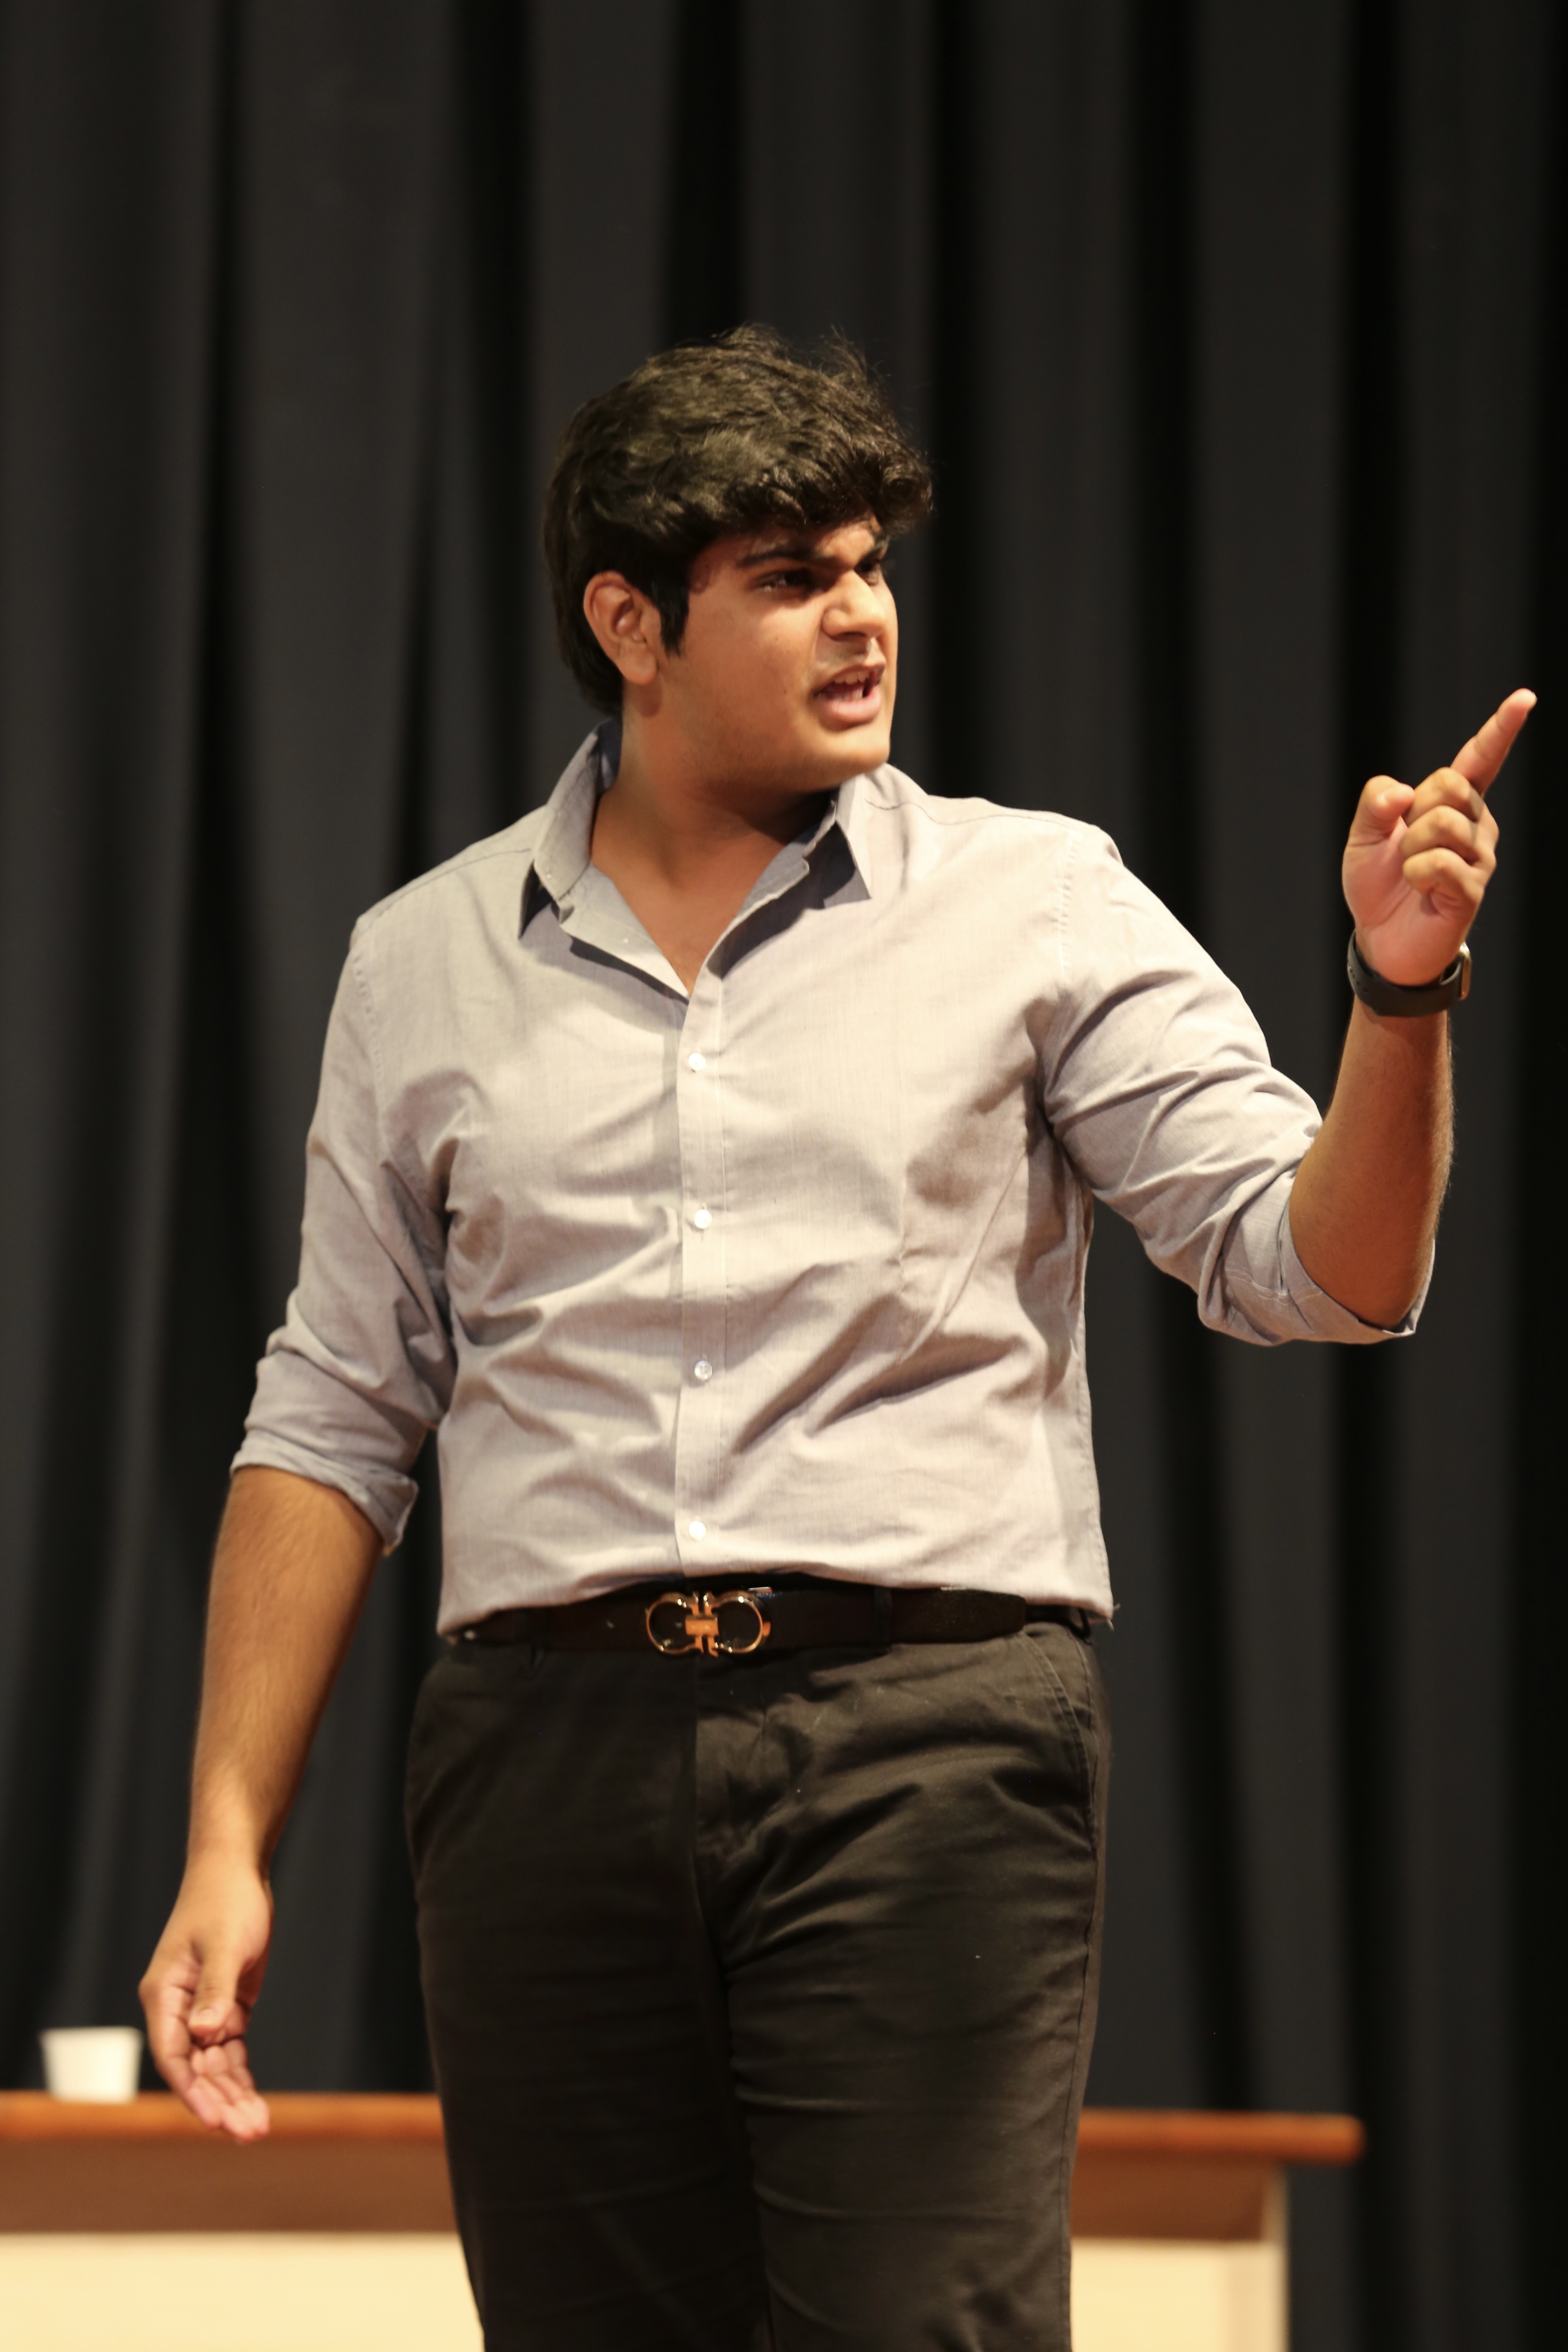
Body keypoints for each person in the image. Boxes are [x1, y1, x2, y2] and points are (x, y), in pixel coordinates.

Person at [140, 326, 1528, 2352]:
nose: (864, 616)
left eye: (872, 565)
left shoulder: (1034, 900)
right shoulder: (423, 961)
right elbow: (335, 1416)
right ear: (630, 623)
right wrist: (226, 1840)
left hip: (926, 1743)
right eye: (792, 577)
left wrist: (1398, 996)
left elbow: (1321, 1271)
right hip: (542, 1765)